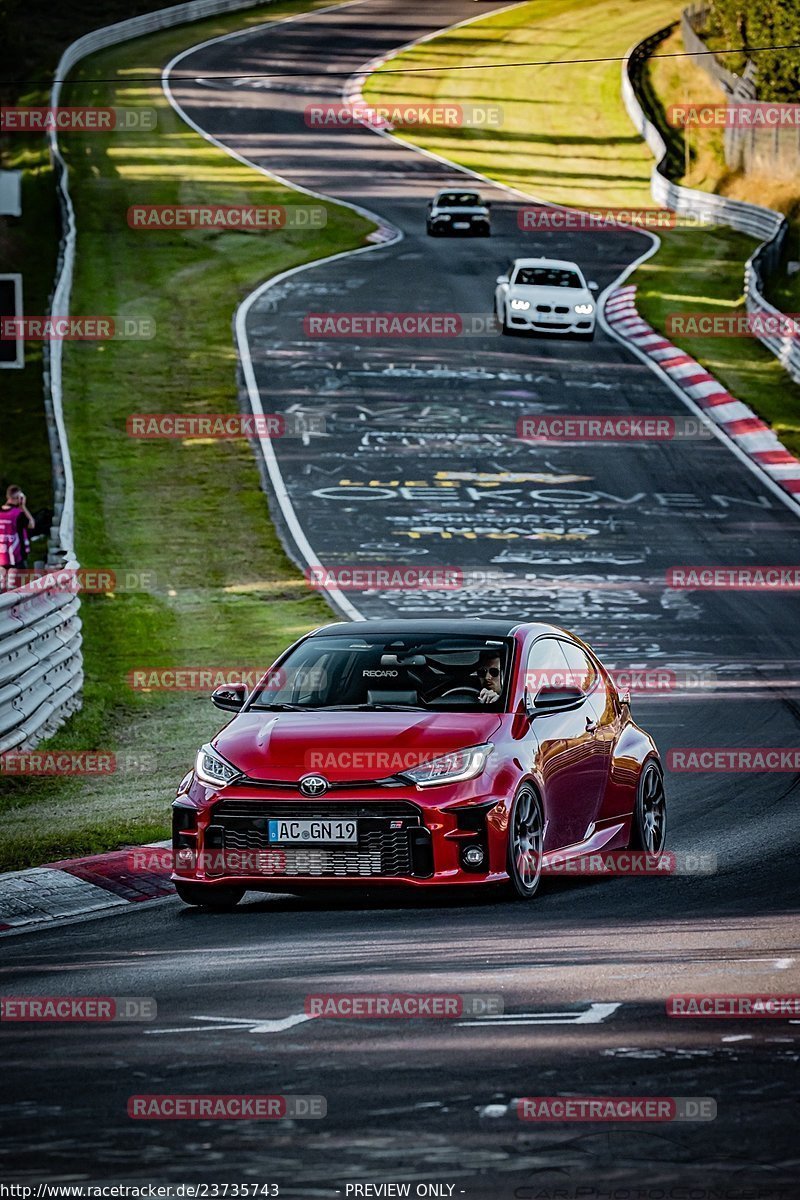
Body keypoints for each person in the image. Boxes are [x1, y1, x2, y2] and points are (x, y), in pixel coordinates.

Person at [0, 484, 35, 589]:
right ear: (19, 498)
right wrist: (23, 506)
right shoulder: (17, 514)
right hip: (15, 557)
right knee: (14, 589)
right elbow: (32, 524)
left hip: (1, 558)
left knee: (2, 588)